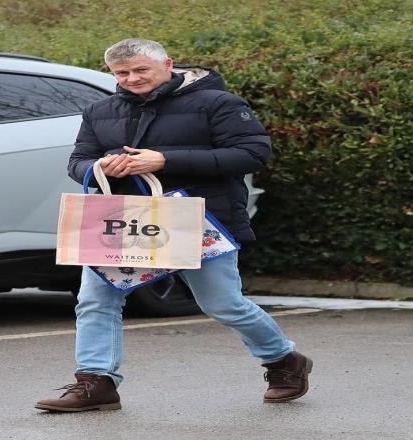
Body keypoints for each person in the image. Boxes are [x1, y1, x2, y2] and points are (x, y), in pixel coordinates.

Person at [36, 38, 312, 412]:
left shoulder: (219, 103)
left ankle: (283, 360)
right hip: (124, 221)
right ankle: (96, 382)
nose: (131, 79)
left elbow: (252, 153)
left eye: (140, 70)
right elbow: (78, 161)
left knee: (223, 304)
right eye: (121, 73)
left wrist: (165, 160)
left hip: (200, 220)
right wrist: (100, 167)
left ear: (168, 64)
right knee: (96, 300)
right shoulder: (100, 110)